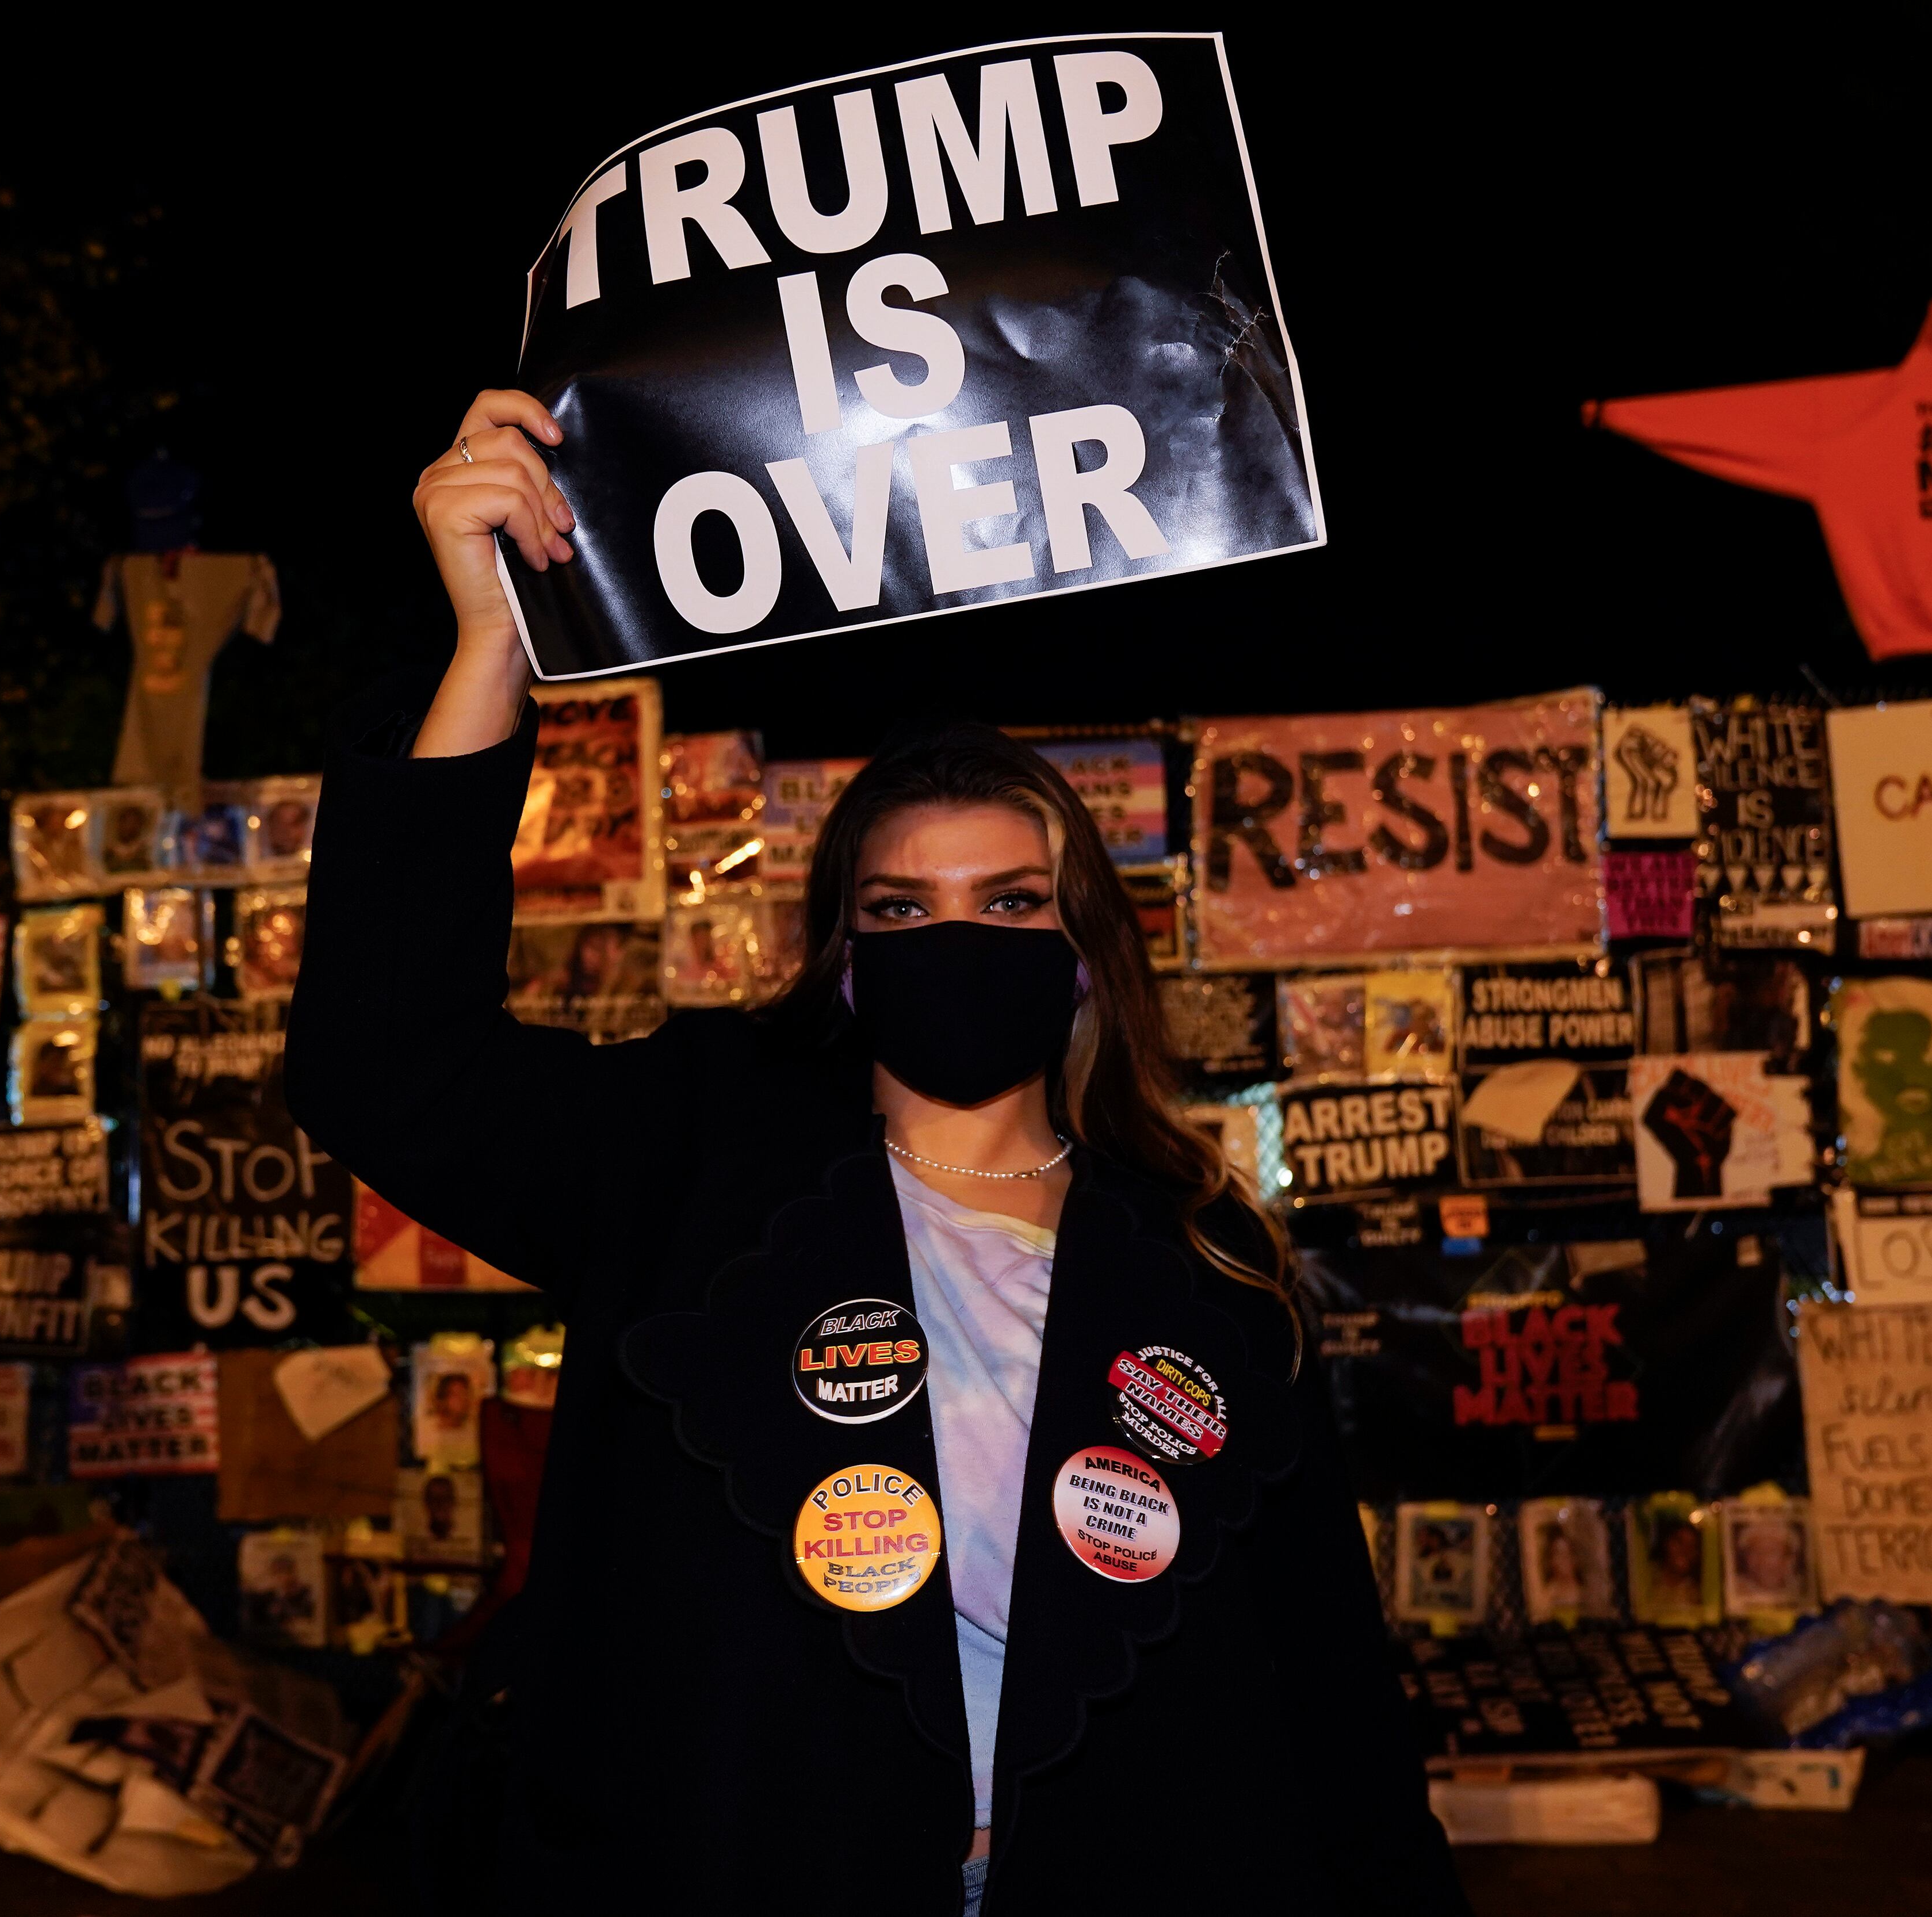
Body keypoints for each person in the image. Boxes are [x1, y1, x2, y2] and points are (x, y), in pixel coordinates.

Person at [286, 391, 1462, 1914]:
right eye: (902, 909)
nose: (955, 942)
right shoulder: (690, 1160)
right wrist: (490, 650)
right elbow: (388, 1064)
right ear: (843, 959)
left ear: (1086, 955)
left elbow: (1331, 1699)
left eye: (1010, 903)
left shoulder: (1205, 1263)